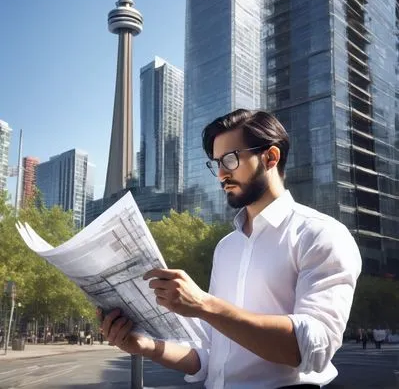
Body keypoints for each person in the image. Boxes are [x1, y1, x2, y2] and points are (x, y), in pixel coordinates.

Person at [100, 109, 362, 388]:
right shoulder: (226, 248)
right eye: (217, 163)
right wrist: (145, 346)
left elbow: (311, 349)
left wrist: (203, 304)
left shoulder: (320, 234)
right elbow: (209, 356)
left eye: (230, 159)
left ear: (270, 158)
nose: (221, 174)